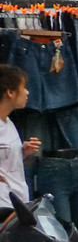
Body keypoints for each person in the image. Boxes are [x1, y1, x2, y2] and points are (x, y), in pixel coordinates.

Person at [0, 65, 37, 205]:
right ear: (10, 92)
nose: (27, 93)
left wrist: (22, 152)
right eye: (23, 88)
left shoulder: (8, 121)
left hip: (16, 203)